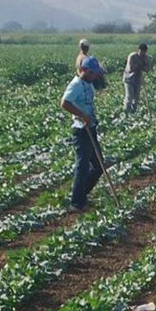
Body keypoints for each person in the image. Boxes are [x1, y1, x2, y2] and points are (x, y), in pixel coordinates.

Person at [61, 58, 108, 210]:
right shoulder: (75, 85)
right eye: (94, 73)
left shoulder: (88, 83)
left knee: (98, 165)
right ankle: (76, 202)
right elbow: (65, 103)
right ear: (86, 71)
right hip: (81, 130)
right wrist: (82, 115)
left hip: (90, 128)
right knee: (82, 166)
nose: (95, 76)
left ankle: (82, 195)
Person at [122, 43, 150, 114]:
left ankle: (134, 112)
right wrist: (141, 65)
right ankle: (126, 112)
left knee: (136, 98)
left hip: (138, 79)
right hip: (129, 79)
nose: (142, 53)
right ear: (138, 50)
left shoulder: (146, 57)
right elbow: (131, 69)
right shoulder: (132, 56)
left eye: (144, 52)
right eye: (141, 51)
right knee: (129, 96)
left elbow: (148, 68)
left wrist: (145, 66)